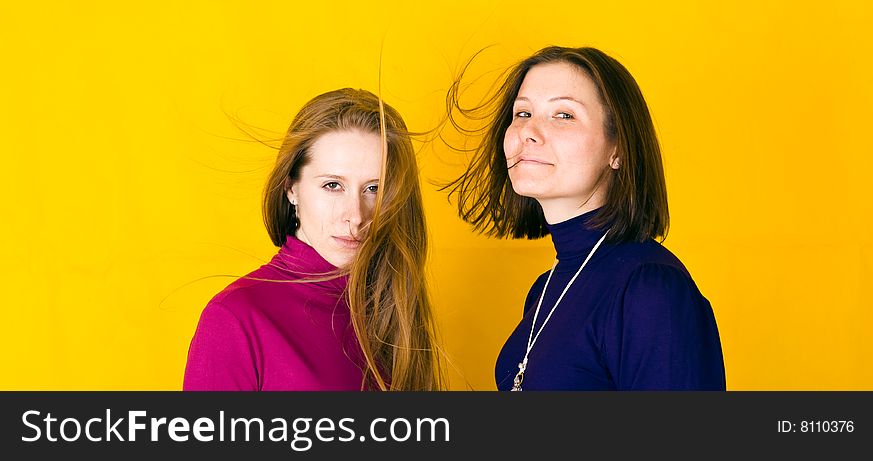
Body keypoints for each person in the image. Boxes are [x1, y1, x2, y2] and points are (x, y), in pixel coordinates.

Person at [445, 46, 725, 390]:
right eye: (522, 113)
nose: (529, 131)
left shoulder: (652, 289)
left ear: (617, 149)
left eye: (564, 115)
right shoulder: (545, 289)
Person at [184, 88, 444, 390]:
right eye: (333, 185)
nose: (356, 215)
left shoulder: (395, 304)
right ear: (291, 188)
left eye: (374, 188)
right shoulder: (235, 319)